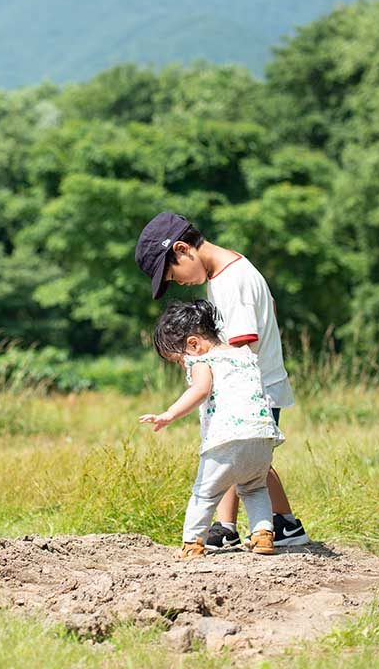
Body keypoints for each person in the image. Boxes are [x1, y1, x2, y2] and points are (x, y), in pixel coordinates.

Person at [134, 211, 309, 548]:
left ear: (183, 249)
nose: (178, 283)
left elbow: (240, 347)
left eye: (172, 274)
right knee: (242, 457)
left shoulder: (232, 282)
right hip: (258, 384)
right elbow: (268, 307)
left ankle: (278, 524)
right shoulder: (230, 271)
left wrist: (205, 375)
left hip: (253, 389)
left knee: (237, 454)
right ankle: (234, 526)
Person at [139, 300, 283, 558]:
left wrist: (169, 414)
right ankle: (263, 535)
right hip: (262, 436)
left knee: (204, 493)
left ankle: (193, 543)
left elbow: (200, 389)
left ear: (194, 344)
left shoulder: (202, 361)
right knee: (255, 488)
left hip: (226, 440)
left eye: (179, 359)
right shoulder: (245, 355)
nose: (182, 365)